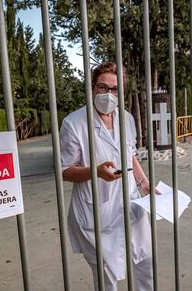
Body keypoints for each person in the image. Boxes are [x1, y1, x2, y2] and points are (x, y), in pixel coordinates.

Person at [60, 62, 158, 290]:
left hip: (130, 204)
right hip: (96, 212)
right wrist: (96, 172)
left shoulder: (127, 119)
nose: (109, 94)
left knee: (145, 265)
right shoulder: (74, 123)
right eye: (103, 87)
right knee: (106, 278)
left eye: (115, 89)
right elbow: (65, 171)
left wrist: (143, 182)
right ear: (93, 87)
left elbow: (130, 154)